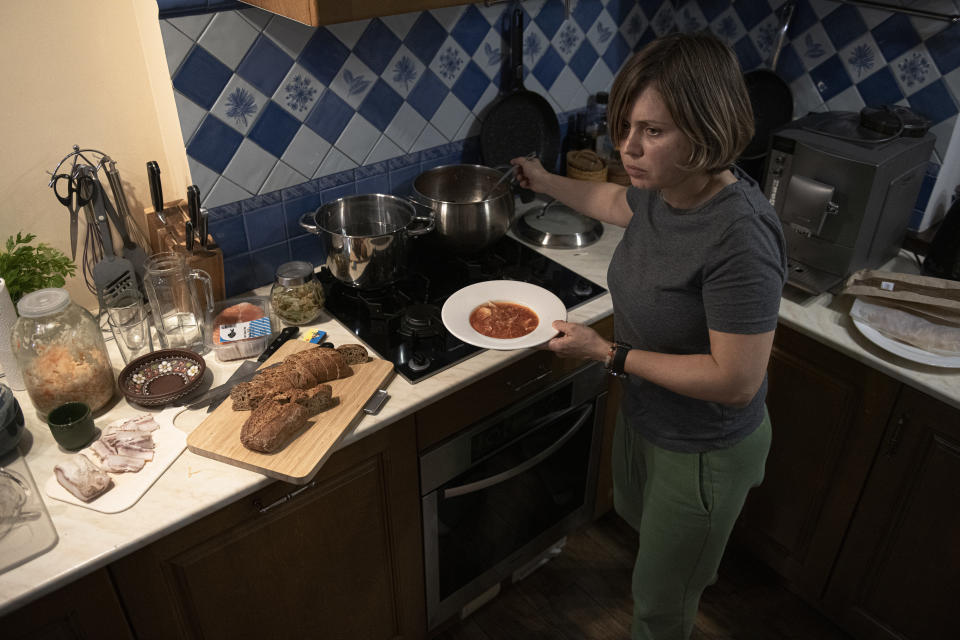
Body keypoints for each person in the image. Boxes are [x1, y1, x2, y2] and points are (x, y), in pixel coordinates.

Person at [511, 31, 787, 640]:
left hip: (704, 450)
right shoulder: (666, 191)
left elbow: (737, 382)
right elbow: (613, 199)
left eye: (653, 132)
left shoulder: (739, 235)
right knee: (646, 542)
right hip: (648, 418)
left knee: (663, 609)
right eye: (625, 125)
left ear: (707, 130)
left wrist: (608, 353)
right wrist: (544, 180)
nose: (628, 148)